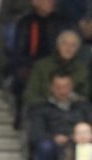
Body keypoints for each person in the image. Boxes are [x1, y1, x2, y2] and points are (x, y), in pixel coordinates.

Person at [28, 70, 92, 160]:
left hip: (82, 144)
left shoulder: (83, 106)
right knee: (45, 148)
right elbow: (36, 134)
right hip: (55, 146)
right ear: (51, 87)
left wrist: (80, 136)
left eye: (66, 87)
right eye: (58, 87)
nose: (62, 91)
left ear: (72, 86)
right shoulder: (41, 108)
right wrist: (54, 138)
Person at [10, 0, 75, 128]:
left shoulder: (60, 21)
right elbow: (19, 50)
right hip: (30, 63)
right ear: (35, 2)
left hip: (54, 63)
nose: (51, 2)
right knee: (22, 77)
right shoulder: (25, 22)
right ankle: (21, 114)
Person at [23, 30, 89, 110]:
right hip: (46, 110)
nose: (68, 48)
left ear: (77, 49)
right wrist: (49, 103)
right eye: (65, 44)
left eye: (73, 45)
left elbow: (85, 96)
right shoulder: (41, 66)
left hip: (73, 111)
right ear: (58, 46)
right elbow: (30, 95)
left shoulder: (82, 69)